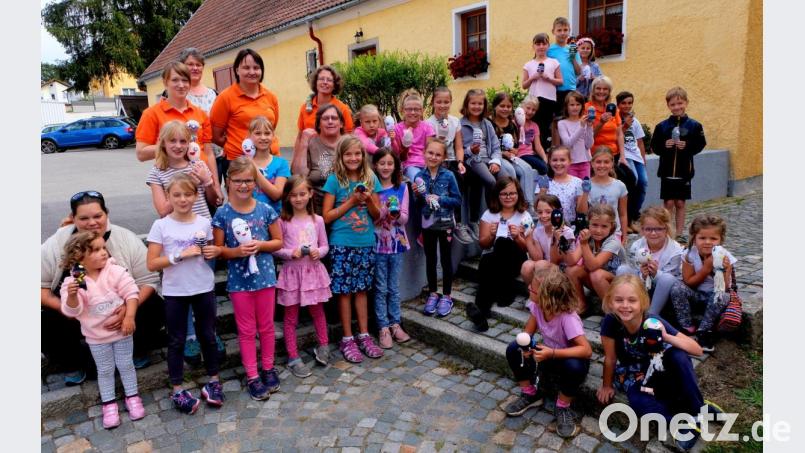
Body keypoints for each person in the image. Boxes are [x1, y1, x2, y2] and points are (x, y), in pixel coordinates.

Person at [41, 191, 164, 385]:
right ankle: (74, 363)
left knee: (154, 305)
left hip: (118, 309)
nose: (92, 222)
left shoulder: (124, 238)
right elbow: (40, 286)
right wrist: (67, 308)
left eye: (98, 216)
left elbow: (148, 279)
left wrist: (128, 309)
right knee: (45, 318)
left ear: (106, 213)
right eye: (84, 218)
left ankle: (136, 351)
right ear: (72, 218)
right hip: (80, 312)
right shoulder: (57, 243)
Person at [598, 274, 715, 452]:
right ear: (610, 302)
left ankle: (698, 411)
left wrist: (666, 336)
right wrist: (606, 385)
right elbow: (611, 357)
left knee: (678, 355)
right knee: (639, 403)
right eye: (618, 300)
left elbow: (697, 349)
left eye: (632, 300)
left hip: (658, 370)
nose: (625, 306)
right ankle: (678, 421)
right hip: (635, 375)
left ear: (643, 302)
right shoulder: (610, 322)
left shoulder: (652, 321)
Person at [146, 120, 226, 365]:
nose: (178, 146)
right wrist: (181, 190)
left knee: (204, 284)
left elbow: (216, 201)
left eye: (183, 141)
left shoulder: (198, 165)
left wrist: (207, 180)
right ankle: (190, 335)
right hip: (175, 236)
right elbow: (162, 209)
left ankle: (208, 331)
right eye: (173, 141)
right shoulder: (157, 172)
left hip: (202, 232)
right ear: (164, 143)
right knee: (182, 285)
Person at [146, 173, 224, 414]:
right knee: (177, 340)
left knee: (208, 335)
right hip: (176, 291)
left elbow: (210, 251)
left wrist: (212, 252)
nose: (183, 199)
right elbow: (152, 263)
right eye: (177, 195)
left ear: (196, 195)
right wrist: (179, 255)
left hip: (203, 287)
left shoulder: (203, 222)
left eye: (188, 194)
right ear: (168, 196)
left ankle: (213, 381)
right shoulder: (161, 225)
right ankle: (177, 388)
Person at [212, 157, 284, 400]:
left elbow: (278, 242)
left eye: (249, 181)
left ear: (256, 183)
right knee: (246, 331)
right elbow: (219, 250)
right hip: (239, 283)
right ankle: (252, 376)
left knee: (266, 327)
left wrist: (260, 245)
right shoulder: (223, 214)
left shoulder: (265, 210)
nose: (244, 185)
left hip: (265, 279)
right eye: (238, 181)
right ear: (228, 182)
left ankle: (268, 368)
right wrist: (236, 252)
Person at [60, 232, 145, 428]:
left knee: (126, 365)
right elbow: (73, 310)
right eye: (96, 250)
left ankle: (133, 397)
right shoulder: (76, 279)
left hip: (123, 332)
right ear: (80, 256)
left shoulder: (113, 270)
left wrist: (129, 317)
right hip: (96, 338)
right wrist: (73, 296)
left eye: (103, 248)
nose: (103, 253)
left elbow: (131, 292)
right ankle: (109, 404)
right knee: (105, 370)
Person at [502, 266, 591, 439]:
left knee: (575, 366)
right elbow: (527, 333)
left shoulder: (568, 317)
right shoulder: (537, 307)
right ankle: (530, 394)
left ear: (546, 297)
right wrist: (526, 348)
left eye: (532, 288)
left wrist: (552, 353)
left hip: (567, 358)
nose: (528, 288)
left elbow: (586, 350)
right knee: (514, 348)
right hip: (548, 354)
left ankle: (563, 406)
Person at [322, 135, 383, 363]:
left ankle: (364, 335)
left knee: (362, 290)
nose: (353, 158)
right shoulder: (334, 181)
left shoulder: (370, 178)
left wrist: (367, 201)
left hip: (365, 243)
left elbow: (377, 216)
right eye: (348, 154)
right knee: (345, 292)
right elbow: (326, 217)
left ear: (363, 156)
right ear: (341, 156)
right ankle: (347, 337)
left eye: (357, 154)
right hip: (342, 243)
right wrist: (350, 202)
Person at [136, 61, 222, 204]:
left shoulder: (200, 114)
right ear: (165, 82)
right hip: (173, 182)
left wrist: (216, 185)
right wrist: (172, 146)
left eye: (184, 80)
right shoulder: (152, 114)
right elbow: (141, 153)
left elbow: (208, 152)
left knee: (205, 223)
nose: (181, 85)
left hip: (201, 181)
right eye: (175, 80)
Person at [274, 176, 333, 376]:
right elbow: (276, 248)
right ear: (287, 197)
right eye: (293, 195)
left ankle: (324, 345)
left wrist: (320, 252)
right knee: (290, 317)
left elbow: (325, 245)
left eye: (302, 194)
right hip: (292, 273)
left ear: (310, 194)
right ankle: (293, 356)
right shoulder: (282, 221)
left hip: (313, 272)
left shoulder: (317, 220)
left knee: (318, 311)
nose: (298, 199)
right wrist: (291, 253)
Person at [465, 177, 532, 331]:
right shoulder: (489, 215)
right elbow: (483, 244)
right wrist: (492, 235)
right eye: (504, 194)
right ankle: (481, 313)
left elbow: (529, 248)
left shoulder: (524, 216)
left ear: (518, 194)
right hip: (492, 258)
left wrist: (517, 237)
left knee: (504, 243)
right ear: (497, 195)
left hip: (516, 258)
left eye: (512, 193)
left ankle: (503, 293)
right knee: (489, 259)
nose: (508, 197)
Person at [210, 48, 281, 184]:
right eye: (246, 68)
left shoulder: (270, 96)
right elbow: (215, 134)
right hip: (239, 163)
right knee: (242, 203)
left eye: (256, 68)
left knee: (272, 201)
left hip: (271, 158)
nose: (252, 72)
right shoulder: (225, 97)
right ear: (237, 70)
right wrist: (237, 145)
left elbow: (271, 127)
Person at [669, 215, 735, 352]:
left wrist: (724, 269)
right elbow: (689, 282)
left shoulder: (725, 256)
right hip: (696, 293)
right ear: (694, 238)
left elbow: (726, 287)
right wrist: (706, 269)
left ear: (721, 240)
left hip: (715, 297)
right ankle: (686, 327)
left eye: (713, 239)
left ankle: (704, 331)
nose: (707, 242)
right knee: (677, 287)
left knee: (723, 295)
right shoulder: (689, 254)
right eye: (702, 238)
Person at [650, 87, 707, 242]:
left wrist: (687, 146)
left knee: (680, 202)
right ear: (668, 105)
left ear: (686, 103)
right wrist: (664, 145)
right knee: (668, 202)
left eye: (680, 103)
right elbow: (654, 146)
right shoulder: (662, 126)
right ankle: (667, 232)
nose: (677, 107)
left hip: (684, 170)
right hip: (667, 170)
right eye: (673, 104)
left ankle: (680, 233)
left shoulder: (695, 125)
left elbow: (701, 144)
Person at [414, 138, 462, 318]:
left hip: (445, 224)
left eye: (438, 154)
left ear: (443, 157)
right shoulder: (419, 176)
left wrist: (440, 199)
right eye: (430, 153)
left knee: (446, 260)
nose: (433, 157)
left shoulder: (449, 176)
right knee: (431, 260)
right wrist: (418, 195)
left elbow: (458, 200)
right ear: (424, 153)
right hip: (427, 224)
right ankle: (433, 293)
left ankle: (447, 296)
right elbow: (418, 204)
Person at [460, 89, 516, 234]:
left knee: (506, 181)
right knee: (491, 181)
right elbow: (459, 150)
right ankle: (489, 215)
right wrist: (470, 151)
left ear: (484, 106)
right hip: (474, 160)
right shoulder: (460, 124)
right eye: (473, 103)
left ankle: (507, 213)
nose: (476, 106)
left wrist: (496, 161)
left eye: (480, 104)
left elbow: (496, 146)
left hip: (489, 159)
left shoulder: (486, 123)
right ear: (467, 104)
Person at [372, 149, 412, 347]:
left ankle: (395, 323)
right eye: (382, 163)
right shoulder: (373, 189)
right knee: (380, 287)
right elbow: (373, 218)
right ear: (375, 166)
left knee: (393, 287)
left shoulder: (402, 187)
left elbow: (405, 217)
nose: (386, 167)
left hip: (396, 243)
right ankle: (383, 326)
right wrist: (384, 211)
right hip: (378, 244)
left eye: (390, 163)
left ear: (395, 166)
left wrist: (396, 215)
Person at [616, 206, 683, 316]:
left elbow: (672, 280)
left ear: (666, 228)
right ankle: (626, 307)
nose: (653, 233)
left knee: (666, 278)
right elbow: (634, 271)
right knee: (622, 269)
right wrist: (642, 274)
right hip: (641, 287)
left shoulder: (676, 250)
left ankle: (651, 314)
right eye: (648, 229)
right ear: (642, 229)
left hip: (664, 292)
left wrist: (656, 274)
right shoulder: (637, 246)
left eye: (658, 229)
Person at [426, 87, 472, 243]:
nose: (442, 105)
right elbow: (430, 149)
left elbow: (459, 147)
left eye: (446, 102)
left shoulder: (455, 121)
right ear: (433, 102)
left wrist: (460, 162)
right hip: (436, 160)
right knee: (444, 180)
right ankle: (442, 218)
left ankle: (458, 222)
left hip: (451, 159)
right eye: (439, 102)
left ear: (451, 102)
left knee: (461, 178)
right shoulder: (429, 123)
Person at [179, 47, 226, 189]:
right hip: (188, 158)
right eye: (190, 64)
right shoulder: (179, 94)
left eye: (198, 65)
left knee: (213, 196)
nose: (195, 68)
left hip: (215, 155)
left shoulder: (213, 94)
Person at [565, 204, 624, 313]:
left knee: (596, 274)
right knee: (571, 270)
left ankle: (612, 312)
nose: (598, 230)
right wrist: (563, 242)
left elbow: (593, 266)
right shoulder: (587, 236)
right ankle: (581, 303)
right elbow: (571, 261)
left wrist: (584, 244)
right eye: (595, 225)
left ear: (611, 226)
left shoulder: (613, 242)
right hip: (596, 280)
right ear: (588, 224)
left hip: (619, 283)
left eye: (604, 226)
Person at [291, 103, 346, 214]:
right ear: (318, 124)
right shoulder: (312, 144)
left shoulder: (350, 143)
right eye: (325, 118)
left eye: (334, 118)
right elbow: (298, 175)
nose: (330, 121)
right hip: (315, 208)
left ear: (341, 123)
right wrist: (304, 142)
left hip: (344, 205)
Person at [585, 76, 636, 193]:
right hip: (596, 155)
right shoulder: (587, 108)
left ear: (609, 92)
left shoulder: (613, 109)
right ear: (593, 90)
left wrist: (623, 157)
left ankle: (627, 211)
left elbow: (619, 134)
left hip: (614, 155)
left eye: (605, 89)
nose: (601, 92)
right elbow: (587, 137)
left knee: (631, 179)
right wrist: (601, 123)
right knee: (618, 183)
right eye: (598, 88)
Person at [490, 92, 537, 211]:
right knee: (511, 171)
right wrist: (503, 153)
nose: (505, 109)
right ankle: (512, 204)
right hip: (496, 157)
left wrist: (513, 151)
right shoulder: (489, 123)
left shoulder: (512, 124)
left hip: (510, 156)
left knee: (527, 169)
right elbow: (489, 146)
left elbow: (516, 147)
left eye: (508, 106)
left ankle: (527, 203)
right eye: (502, 106)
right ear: (495, 106)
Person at [522, 194, 577, 291]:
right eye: (540, 212)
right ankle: (536, 297)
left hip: (564, 270)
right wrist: (528, 237)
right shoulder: (538, 231)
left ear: (558, 213)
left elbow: (557, 261)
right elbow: (537, 258)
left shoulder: (567, 232)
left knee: (540, 265)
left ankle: (547, 298)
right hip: (546, 266)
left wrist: (556, 239)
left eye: (548, 212)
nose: (543, 216)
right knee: (527, 265)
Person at [577, 146, 629, 244]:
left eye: (606, 162)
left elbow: (623, 214)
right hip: (593, 232)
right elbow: (582, 212)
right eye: (598, 162)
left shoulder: (620, 186)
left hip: (613, 233)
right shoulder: (585, 185)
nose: (602, 165)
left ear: (612, 163)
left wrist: (624, 236)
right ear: (592, 163)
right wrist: (585, 193)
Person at [522, 33, 563, 150]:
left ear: (548, 46)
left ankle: (545, 152)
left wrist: (548, 78)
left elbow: (560, 81)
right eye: (538, 44)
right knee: (534, 127)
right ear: (533, 46)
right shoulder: (529, 64)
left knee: (546, 129)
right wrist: (533, 77)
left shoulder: (553, 62)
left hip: (549, 100)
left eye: (543, 44)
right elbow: (524, 85)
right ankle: (532, 151)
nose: (541, 46)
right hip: (534, 102)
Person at [616, 91, 648, 231]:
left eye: (630, 103)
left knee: (643, 182)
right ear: (618, 104)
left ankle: (634, 215)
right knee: (633, 181)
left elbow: (640, 142)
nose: (627, 106)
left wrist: (643, 158)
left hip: (636, 156)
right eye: (623, 103)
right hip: (624, 155)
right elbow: (615, 136)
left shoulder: (635, 121)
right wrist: (625, 126)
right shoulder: (616, 119)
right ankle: (627, 218)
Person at [296, 65, 354, 142]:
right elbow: (300, 137)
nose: (325, 82)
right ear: (315, 83)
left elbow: (349, 137)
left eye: (329, 80)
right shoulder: (305, 108)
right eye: (321, 79)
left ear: (334, 85)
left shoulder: (342, 108)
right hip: (309, 152)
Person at [247, 116, 290, 215]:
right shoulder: (242, 163)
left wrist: (252, 166)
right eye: (258, 133)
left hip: (273, 219)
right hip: (248, 218)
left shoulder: (281, 163)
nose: (263, 137)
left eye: (267, 133)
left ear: (273, 136)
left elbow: (276, 195)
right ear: (249, 136)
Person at [391, 89, 436, 182]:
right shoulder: (397, 129)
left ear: (422, 111)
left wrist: (429, 167)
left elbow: (431, 150)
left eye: (416, 109)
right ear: (403, 110)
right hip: (409, 165)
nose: (412, 112)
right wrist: (405, 146)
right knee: (418, 178)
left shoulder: (428, 127)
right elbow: (400, 156)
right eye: (409, 109)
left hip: (427, 164)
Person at [537, 145, 583, 224]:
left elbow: (581, 210)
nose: (558, 163)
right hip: (548, 226)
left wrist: (584, 193)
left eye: (562, 160)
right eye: (555, 160)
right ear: (549, 161)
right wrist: (542, 191)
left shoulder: (578, 182)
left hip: (570, 227)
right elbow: (538, 207)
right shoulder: (545, 181)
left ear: (570, 161)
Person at [547, 17, 582, 114]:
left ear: (569, 31)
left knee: (570, 117)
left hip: (570, 89)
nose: (562, 33)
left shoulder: (572, 49)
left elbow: (578, 72)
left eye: (565, 30)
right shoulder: (549, 50)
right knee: (557, 119)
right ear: (553, 31)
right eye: (559, 30)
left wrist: (573, 57)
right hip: (555, 90)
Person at [557, 91, 594, 179]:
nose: (575, 107)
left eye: (578, 104)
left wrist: (589, 127)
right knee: (572, 190)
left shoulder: (584, 121)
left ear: (582, 106)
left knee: (585, 189)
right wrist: (581, 127)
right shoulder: (562, 123)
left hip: (585, 162)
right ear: (567, 107)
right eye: (572, 105)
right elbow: (568, 143)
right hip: (570, 163)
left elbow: (589, 145)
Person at [515, 96, 549, 175]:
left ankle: (542, 186)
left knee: (545, 165)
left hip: (530, 154)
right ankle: (543, 187)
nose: (530, 112)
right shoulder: (515, 122)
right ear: (522, 106)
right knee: (543, 168)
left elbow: (538, 146)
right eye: (528, 108)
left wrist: (545, 158)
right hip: (520, 155)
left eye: (533, 110)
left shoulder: (534, 126)